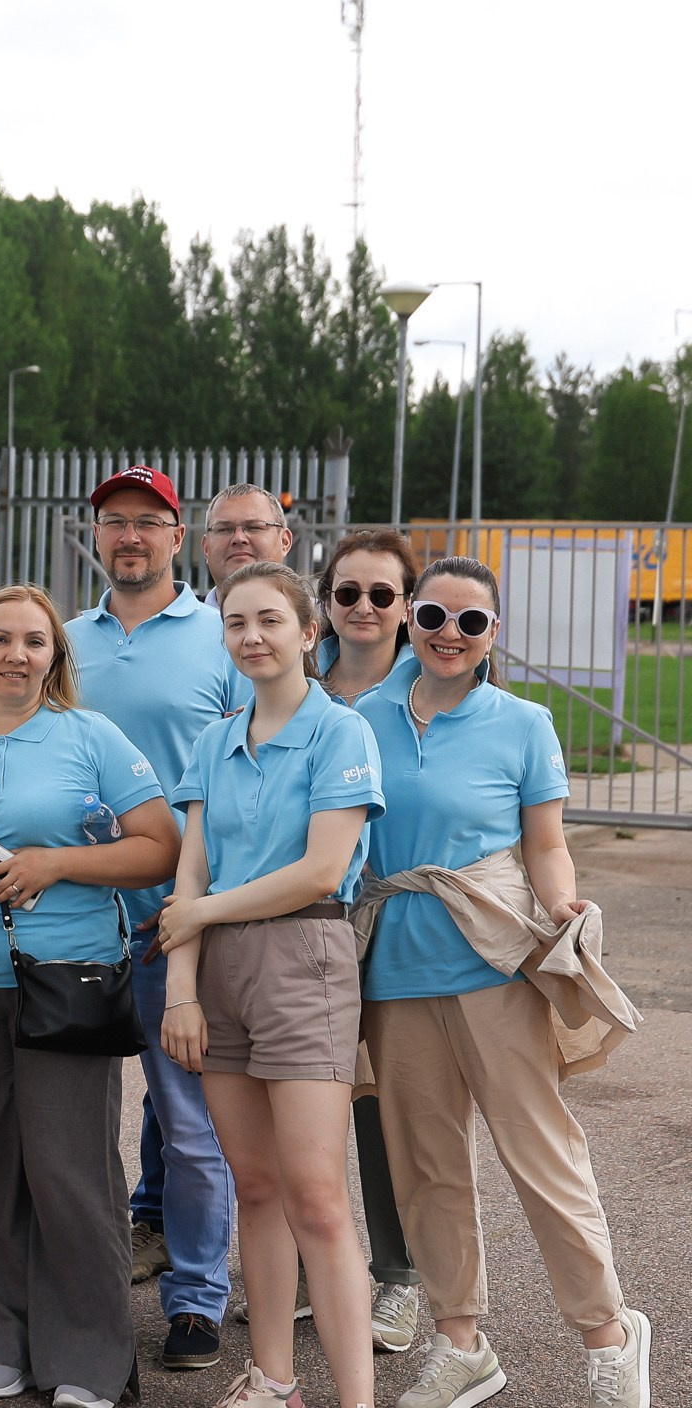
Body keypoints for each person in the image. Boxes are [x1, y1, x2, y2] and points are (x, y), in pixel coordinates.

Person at [353, 556, 653, 1408]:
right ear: (410, 617)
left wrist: (561, 900)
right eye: (437, 614)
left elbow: (546, 843)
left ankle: (607, 1335)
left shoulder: (523, 723)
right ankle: (461, 1341)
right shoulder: (359, 718)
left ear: (495, 633)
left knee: (541, 1155)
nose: (451, 633)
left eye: (472, 622)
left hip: (490, 962)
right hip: (394, 972)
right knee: (428, 1167)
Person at [158, 560, 405, 1408]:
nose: (252, 635)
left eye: (270, 620)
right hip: (217, 971)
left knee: (316, 1196)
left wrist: (205, 917)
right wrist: (182, 988)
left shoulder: (340, 733)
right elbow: (188, 878)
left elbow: (319, 870)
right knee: (253, 1186)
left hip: (304, 959)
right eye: (235, 622)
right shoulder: (215, 742)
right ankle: (273, 1386)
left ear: (311, 633)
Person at [0, 586, 177, 1408]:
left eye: (35, 641)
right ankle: (0, 1342)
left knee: (71, 1172)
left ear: (55, 658)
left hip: (71, 977)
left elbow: (159, 848)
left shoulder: (89, 737)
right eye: (0, 639)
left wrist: (56, 863)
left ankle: (92, 1357)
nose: (16, 655)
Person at [61, 466, 240, 1372]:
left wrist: (205, 899)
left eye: (147, 523)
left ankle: (198, 1302)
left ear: (180, 538)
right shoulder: (61, 641)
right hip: (78, 923)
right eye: (113, 522)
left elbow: (251, 772)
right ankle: (72, 1286)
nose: (129, 537)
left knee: (192, 1128)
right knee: (68, 1125)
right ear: (95, 537)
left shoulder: (221, 637)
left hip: (181, 924)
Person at [313, 531, 427, 1354]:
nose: (363, 608)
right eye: (347, 593)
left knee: (388, 1110)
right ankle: (315, 1273)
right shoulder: (294, 685)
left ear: (406, 606)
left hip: (400, 924)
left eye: (382, 596)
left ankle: (399, 1276)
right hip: (308, 925)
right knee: (304, 1102)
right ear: (325, 602)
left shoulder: (436, 688)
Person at [197, 483, 294, 603]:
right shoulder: (178, 621)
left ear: (284, 542)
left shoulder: (319, 618)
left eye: (254, 527)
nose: (238, 538)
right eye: (224, 529)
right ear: (206, 548)